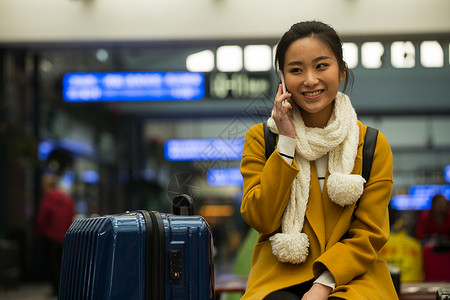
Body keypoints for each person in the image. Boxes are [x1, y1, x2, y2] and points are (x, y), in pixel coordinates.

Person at [240, 21, 397, 299]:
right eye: (296, 70)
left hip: (353, 277)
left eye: (321, 66)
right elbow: (262, 219)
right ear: (283, 78)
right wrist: (286, 143)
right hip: (281, 277)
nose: (310, 80)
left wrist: (323, 284)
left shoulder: (371, 144)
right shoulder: (263, 139)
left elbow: (369, 234)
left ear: (342, 72)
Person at [36, 172, 75, 296]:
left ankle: (56, 289)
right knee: (63, 264)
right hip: (64, 235)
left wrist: (39, 233)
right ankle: (65, 288)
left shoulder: (47, 198)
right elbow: (71, 216)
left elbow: (42, 219)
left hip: (51, 236)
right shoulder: (66, 198)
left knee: (53, 265)